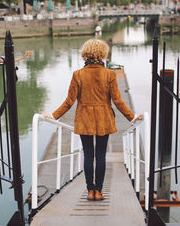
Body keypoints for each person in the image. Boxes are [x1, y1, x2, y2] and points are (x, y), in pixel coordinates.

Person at [43, 39, 143, 201]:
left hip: (84, 119)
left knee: (88, 155)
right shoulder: (110, 74)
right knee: (101, 156)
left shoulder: (78, 74)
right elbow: (117, 101)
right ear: (102, 54)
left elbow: (69, 101)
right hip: (104, 119)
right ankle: (99, 191)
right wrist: (132, 117)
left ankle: (90, 190)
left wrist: (53, 115)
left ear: (85, 54)